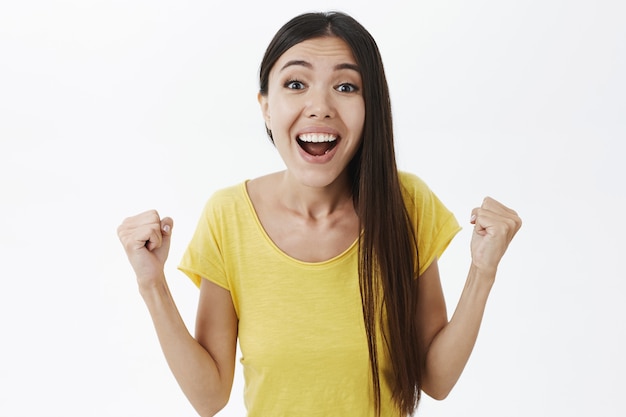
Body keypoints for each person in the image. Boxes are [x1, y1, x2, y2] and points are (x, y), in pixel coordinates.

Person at [117, 11, 522, 417]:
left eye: (346, 86)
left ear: (371, 108)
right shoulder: (228, 217)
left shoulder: (407, 204)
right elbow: (209, 398)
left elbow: (436, 380)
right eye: (296, 84)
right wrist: (152, 284)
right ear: (266, 108)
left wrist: (482, 271)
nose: (320, 107)